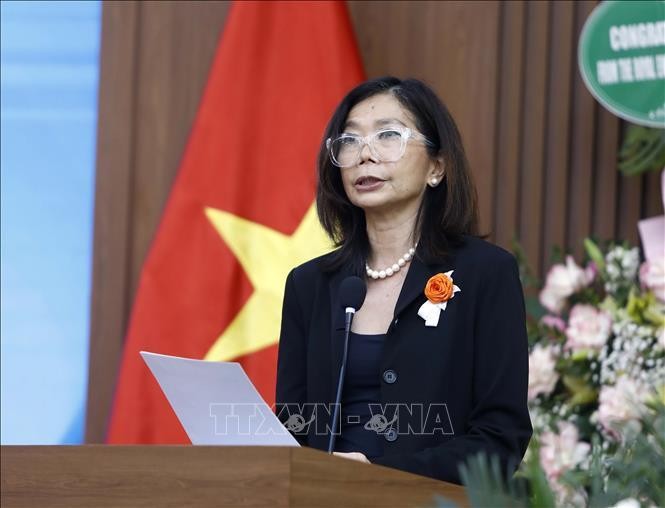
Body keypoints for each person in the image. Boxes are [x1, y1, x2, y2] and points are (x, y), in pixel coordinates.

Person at [276, 76, 532, 485]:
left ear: (437, 167)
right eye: (350, 140)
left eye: (388, 136)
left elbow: (500, 442)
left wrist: (379, 475)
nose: (365, 154)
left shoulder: (485, 273)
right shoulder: (309, 285)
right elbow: (293, 427)